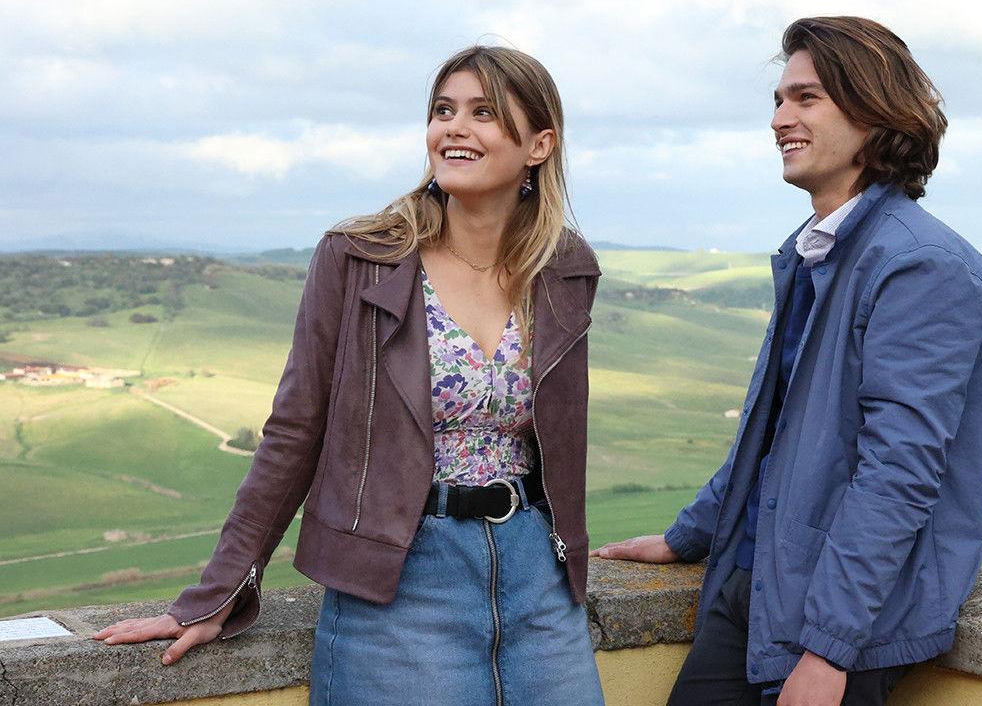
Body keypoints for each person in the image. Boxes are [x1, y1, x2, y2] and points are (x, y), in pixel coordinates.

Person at [94, 45, 606, 706]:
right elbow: (295, 427)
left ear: (539, 144)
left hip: (540, 581)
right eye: (443, 110)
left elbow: (563, 437)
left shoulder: (565, 268)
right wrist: (220, 590)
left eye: (483, 113)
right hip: (398, 581)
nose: (454, 127)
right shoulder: (362, 257)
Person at [592, 16, 982, 706]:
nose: (780, 118)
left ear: (874, 112)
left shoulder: (921, 264)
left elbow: (898, 470)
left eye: (806, 98)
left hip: (839, 616)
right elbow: (780, 435)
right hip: (761, 584)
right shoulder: (818, 251)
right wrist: (689, 534)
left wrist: (829, 648)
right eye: (779, 100)